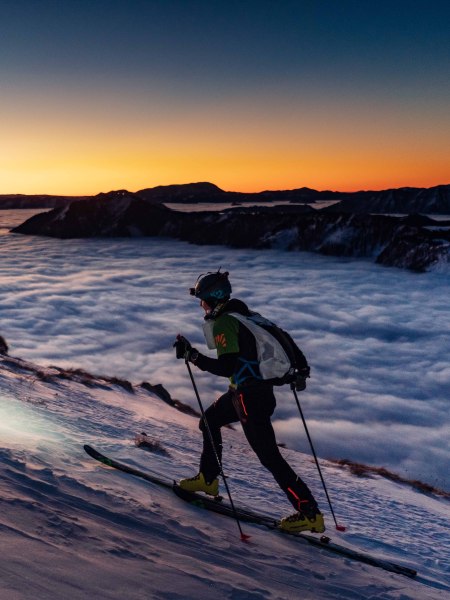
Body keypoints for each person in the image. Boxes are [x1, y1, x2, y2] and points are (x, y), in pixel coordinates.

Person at [174, 269, 325, 533]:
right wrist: (299, 371)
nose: (201, 306)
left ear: (214, 299)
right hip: (250, 394)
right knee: (209, 421)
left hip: (249, 398)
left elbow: (226, 366)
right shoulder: (248, 316)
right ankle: (208, 479)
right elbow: (284, 337)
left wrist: (192, 355)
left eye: (203, 300)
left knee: (270, 457)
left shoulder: (224, 322)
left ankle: (309, 513)